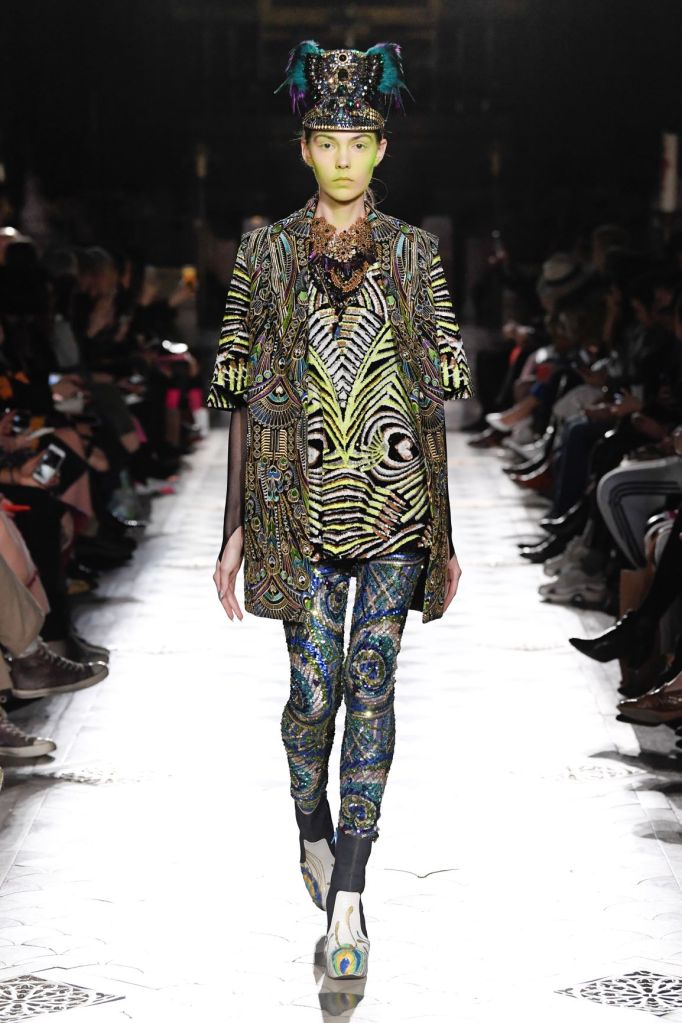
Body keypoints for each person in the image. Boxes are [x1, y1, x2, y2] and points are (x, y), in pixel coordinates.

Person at [208, 39, 472, 980]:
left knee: (372, 679)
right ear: (306, 148)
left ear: (382, 149)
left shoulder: (415, 253)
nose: (346, 158)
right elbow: (237, 392)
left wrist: (445, 533)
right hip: (298, 510)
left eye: (361, 141)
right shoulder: (265, 251)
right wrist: (233, 528)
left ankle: (350, 895)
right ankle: (310, 824)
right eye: (329, 141)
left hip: (398, 508)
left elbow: (437, 395)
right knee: (312, 694)